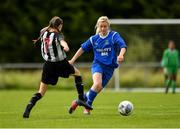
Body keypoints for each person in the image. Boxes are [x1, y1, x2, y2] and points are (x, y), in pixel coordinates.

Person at [23, 16, 92, 118]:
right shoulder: (58, 34)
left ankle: (28, 108)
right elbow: (62, 41)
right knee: (77, 73)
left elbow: (47, 35)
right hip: (60, 63)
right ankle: (81, 99)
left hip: (48, 65)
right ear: (59, 26)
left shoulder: (43, 31)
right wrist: (65, 46)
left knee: (41, 92)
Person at [68, 16, 127, 115]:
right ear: (98, 27)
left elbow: (123, 46)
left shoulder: (114, 36)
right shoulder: (93, 39)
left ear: (108, 26)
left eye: (105, 26)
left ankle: (77, 101)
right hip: (97, 65)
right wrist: (72, 60)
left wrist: (121, 54)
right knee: (97, 84)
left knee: (97, 89)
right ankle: (87, 108)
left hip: (110, 68)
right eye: (101, 26)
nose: (103, 28)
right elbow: (82, 48)